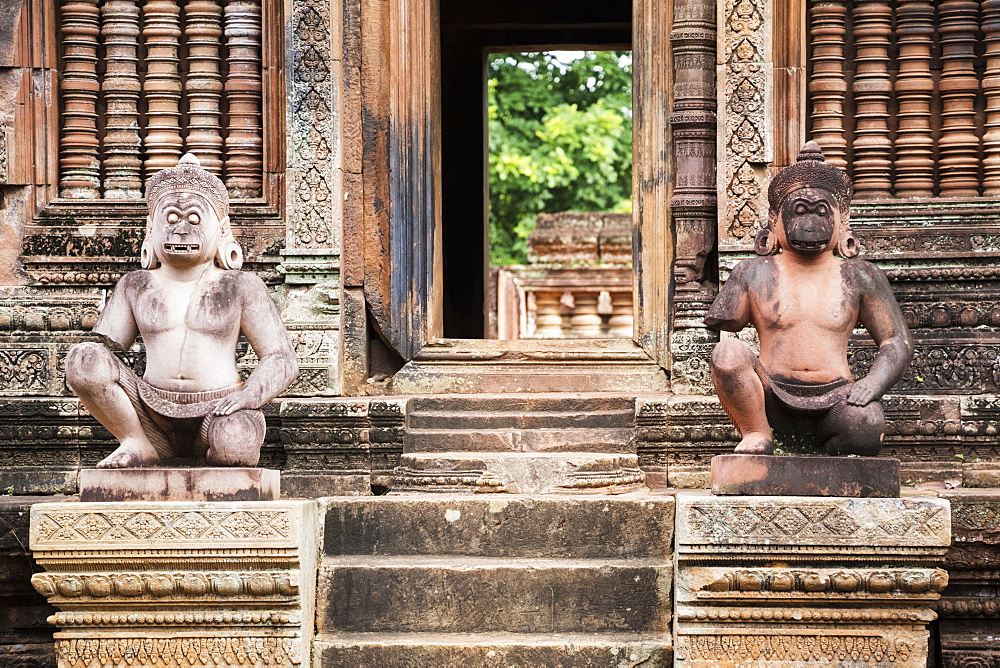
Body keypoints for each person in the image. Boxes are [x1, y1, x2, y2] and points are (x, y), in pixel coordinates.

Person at [65, 154, 298, 468]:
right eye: (171, 218)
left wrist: (250, 395)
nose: (182, 230)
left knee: (236, 447)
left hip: (221, 406)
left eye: (195, 219)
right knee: (84, 357)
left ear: (223, 229)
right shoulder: (136, 284)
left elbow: (281, 357)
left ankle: (219, 446)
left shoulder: (241, 285)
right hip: (148, 410)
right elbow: (105, 350)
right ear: (152, 227)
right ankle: (136, 443)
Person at [705, 141, 913, 456]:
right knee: (727, 352)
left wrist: (873, 383)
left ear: (842, 221)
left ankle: (821, 458)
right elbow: (724, 323)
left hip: (839, 397)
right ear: (774, 221)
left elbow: (896, 342)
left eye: (821, 213)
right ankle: (757, 436)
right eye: (799, 211)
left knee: (867, 425)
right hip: (769, 392)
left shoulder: (860, 275)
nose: (810, 225)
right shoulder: (752, 272)